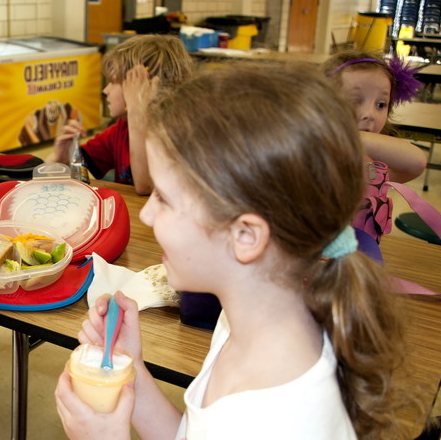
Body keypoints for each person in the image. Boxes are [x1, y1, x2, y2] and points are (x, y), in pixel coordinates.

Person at [54, 64, 420, 439]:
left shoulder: (275, 416)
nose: (146, 212)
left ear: (246, 236)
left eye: (164, 198)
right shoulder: (249, 321)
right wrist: (133, 370)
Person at [46, 34, 194, 195]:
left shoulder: (178, 132)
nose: (105, 90)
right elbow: (72, 171)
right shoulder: (121, 129)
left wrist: (137, 109)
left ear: (141, 85)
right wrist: (61, 158)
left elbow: (146, 187)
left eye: (113, 82)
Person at [321, 50, 427, 242]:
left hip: (358, 261)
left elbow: (416, 162)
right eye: (355, 101)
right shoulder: (307, 155)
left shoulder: (373, 167)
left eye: (380, 104)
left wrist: (350, 138)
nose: (370, 114)